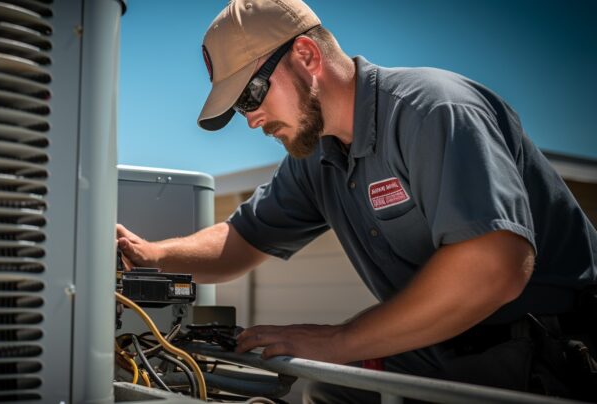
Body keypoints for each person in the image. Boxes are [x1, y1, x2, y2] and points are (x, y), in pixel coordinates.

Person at [116, 0, 597, 401]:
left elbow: (495, 268)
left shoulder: (433, 111)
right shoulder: (316, 157)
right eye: (240, 107)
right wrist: (149, 256)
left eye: (251, 96)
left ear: (306, 55)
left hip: (552, 358)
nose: (251, 119)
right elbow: (241, 241)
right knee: (329, 392)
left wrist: (339, 339)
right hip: (441, 352)